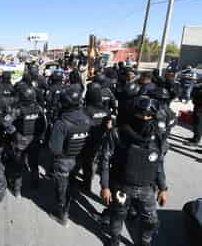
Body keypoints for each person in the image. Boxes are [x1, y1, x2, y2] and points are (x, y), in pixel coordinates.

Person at [101, 96, 168, 246]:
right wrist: (105, 186)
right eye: (140, 114)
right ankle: (114, 240)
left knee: (151, 221)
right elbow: (104, 160)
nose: (145, 118)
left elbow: (159, 163)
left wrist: (163, 188)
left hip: (146, 188)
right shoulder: (117, 134)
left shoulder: (157, 137)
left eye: (149, 116)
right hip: (122, 186)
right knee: (118, 216)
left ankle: (144, 242)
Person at [49, 85, 91, 225]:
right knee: (71, 183)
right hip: (79, 159)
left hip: (64, 160)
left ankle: (61, 215)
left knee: (61, 188)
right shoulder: (86, 118)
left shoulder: (61, 123)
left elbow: (55, 149)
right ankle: (69, 204)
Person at [4, 86, 46, 196]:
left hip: (20, 141)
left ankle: (17, 190)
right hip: (34, 141)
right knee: (34, 163)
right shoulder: (39, 109)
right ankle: (35, 184)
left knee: (18, 166)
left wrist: (13, 133)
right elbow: (43, 125)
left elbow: (6, 122)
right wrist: (40, 136)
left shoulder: (18, 110)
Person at [81, 84, 110, 192]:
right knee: (96, 162)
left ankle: (86, 184)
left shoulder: (85, 110)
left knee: (87, 163)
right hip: (102, 141)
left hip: (88, 141)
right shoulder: (106, 111)